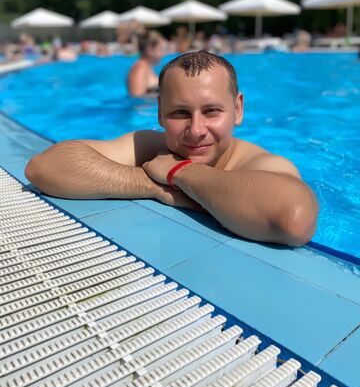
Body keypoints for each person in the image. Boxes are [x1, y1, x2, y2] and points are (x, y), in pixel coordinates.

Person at [25, 50, 318, 246]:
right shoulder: (150, 146)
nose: (196, 130)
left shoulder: (260, 164)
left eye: (212, 111)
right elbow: (43, 167)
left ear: (238, 109)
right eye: (180, 113)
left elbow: (294, 219)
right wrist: (154, 185)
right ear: (159, 113)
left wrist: (180, 171)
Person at [127, 30, 165, 97]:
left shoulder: (145, 68)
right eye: (160, 49)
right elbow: (136, 100)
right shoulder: (140, 70)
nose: (163, 54)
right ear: (150, 49)